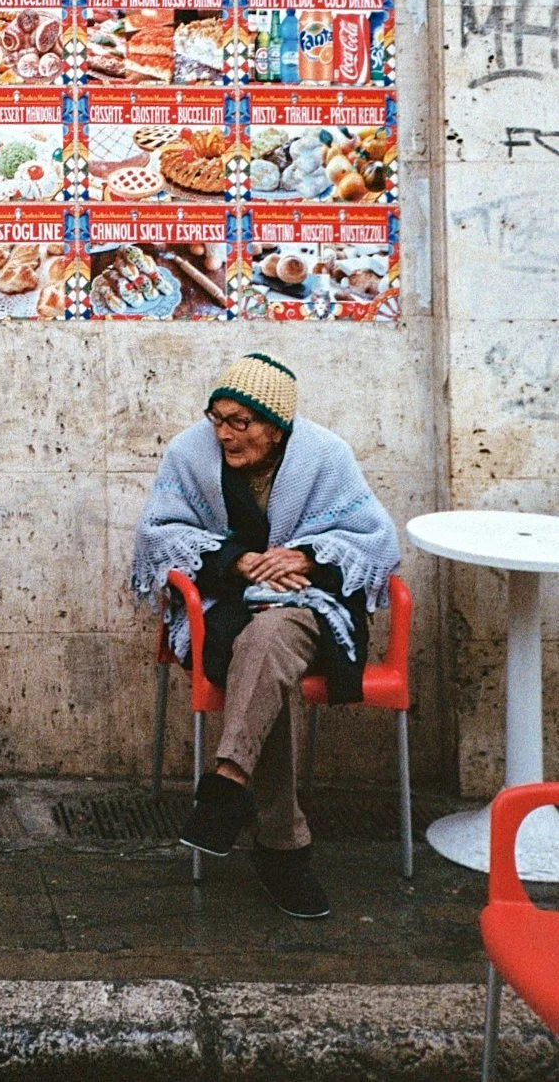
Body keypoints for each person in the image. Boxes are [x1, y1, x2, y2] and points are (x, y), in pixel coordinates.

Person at [131, 353, 400, 920]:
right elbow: (159, 533)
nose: (225, 433)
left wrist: (307, 557)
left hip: (310, 604)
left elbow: (374, 541)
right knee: (262, 652)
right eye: (218, 419)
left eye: (240, 422)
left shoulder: (326, 456)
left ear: (275, 426)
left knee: (274, 634)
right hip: (225, 606)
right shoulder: (189, 453)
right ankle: (281, 845)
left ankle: (228, 782)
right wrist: (239, 561)